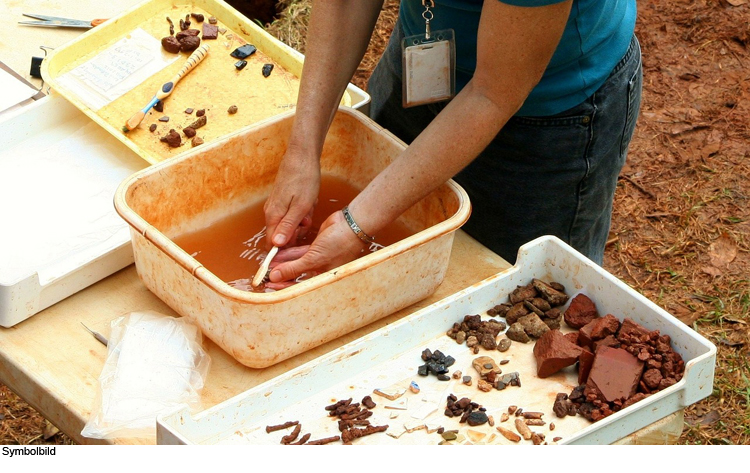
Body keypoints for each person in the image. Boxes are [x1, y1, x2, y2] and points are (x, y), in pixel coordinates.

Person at [262, 0, 642, 288]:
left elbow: (494, 94)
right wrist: (302, 150)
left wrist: (356, 225)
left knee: (520, 292)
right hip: (426, 54)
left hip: (546, 117)